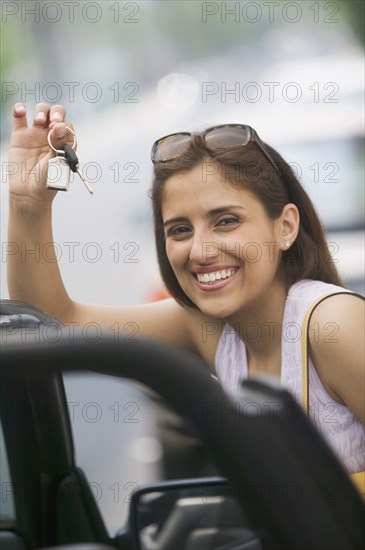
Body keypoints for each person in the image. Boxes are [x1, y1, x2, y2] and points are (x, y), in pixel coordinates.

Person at [7, 103, 365, 478]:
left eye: (226, 221)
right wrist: (29, 205)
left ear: (286, 226)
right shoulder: (213, 329)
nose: (200, 251)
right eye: (179, 230)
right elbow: (52, 324)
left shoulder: (331, 325)